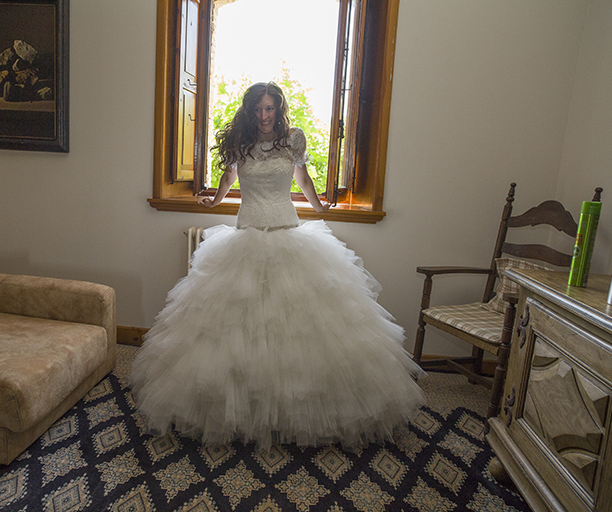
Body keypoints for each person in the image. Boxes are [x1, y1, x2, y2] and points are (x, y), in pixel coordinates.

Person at [131, 82, 425, 451]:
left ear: (278, 109)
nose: (264, 116)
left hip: (288, 231)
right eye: (258, 109)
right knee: (235, 325)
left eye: (269, 108)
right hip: (247, 232)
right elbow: (229, 176)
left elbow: (303, 177)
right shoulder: (240, 141)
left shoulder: (293, 140)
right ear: (249, 111)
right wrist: (215, 201)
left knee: (304, 324)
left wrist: (319, 206)